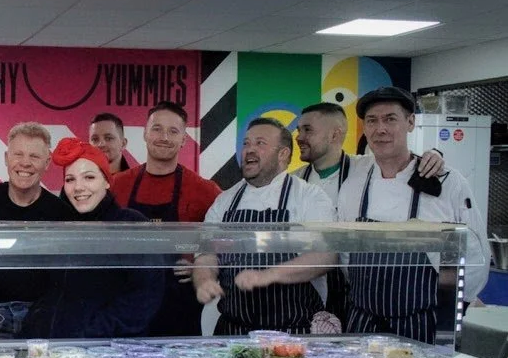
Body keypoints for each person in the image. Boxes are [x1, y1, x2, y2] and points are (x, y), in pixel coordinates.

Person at [336, 87, 490, 343]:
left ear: (410, 122)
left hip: (423, 325)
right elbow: (343, 255)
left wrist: (454, 308)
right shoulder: (353, 184)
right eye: (372, 121)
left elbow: (475, 256)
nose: (380, 129)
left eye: (390, 119)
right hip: (363, 322)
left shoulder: (447, 182)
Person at [292, 102, 446, 325]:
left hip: (361, 295)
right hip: (314, 295)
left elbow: (400, 161)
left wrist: (434, 155)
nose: (299, 136)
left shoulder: (365, 169)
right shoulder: (295, 182)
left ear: (335, 134)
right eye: (299, 130)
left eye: (308, 130)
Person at [193, 118, 336, 335]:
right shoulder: (226, 200)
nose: (249, 150)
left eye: (260, 143)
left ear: (283, 154)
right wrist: (205, 280)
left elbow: (325, 257)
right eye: (246, 144)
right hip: (233, 331)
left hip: (293, 332)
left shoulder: (309, 197)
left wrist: (268, 275)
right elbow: (207, 254)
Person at [21, 138, 163, 338]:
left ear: (106, 181)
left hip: (106, 353)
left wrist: (91, 335)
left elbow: (143, 298)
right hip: (54, 351)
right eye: (70, 179)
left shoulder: (130, 224)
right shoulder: (60, 227)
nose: (78, 187)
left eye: (88, 177)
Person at [110, 101, 222, 336]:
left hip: (179, 306)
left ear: (183, 139)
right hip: (124, 302)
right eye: (157, 129)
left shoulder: (206, 190)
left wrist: (200, 268)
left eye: (173, 131)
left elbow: (224, 241)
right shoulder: (116, 185)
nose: (164, 137)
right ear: (145, 133)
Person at [0, 122, 74, 336]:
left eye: (34, 156)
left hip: (39, 316)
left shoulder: (62, 212)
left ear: (47, 161)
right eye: (18, 154)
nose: (25, 163)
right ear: (6, 158)